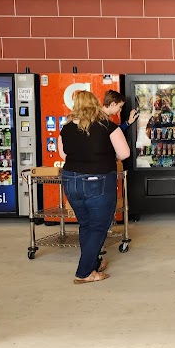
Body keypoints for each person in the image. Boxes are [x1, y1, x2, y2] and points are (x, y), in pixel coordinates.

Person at [59, 91, 130, 284]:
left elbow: (63, 155)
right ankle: (84, 273)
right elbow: (124, 153)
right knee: (98, 227)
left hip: (71, 180)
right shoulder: (108, 126)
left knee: (86, 225)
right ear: (96, 105)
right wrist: (107, 156)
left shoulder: (66, 128)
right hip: (98, 181)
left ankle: (93, 263)